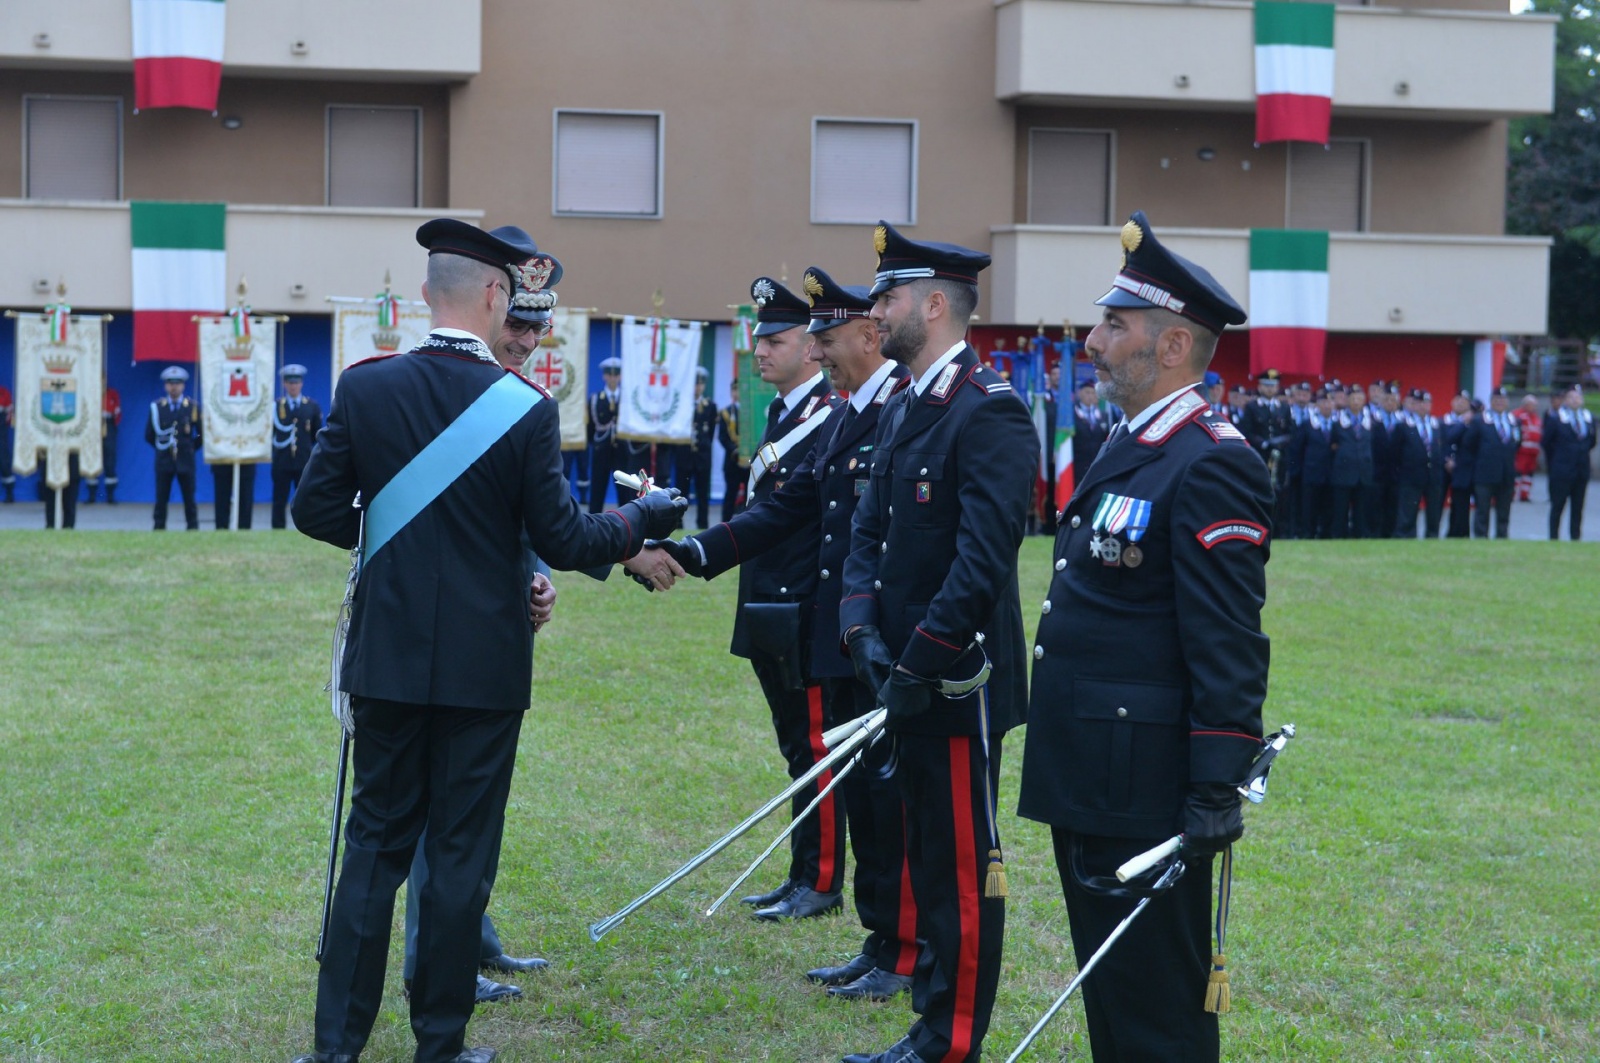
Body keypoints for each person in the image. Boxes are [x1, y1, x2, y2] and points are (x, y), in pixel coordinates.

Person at [287, 219, 686, 1063]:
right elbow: (572, 540)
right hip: (485, 670)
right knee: (459, 859)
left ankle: (335, 1051)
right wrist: (640, 517)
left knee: (372, 854)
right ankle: (440, 1046)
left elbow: (317, 512)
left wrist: (396, 546)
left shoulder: (365, 387)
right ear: (497, 295)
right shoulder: (525, 410)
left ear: (430, 292)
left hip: (387, 659)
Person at [1019, 210, 1269, 1063]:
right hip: (1094, 767)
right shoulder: (1137, 444)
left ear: (1171, 348)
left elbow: (1226, 639)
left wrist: (1215, 785)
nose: (1091, 342)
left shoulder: (1209, 461)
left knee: (1158, 1003)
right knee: (1114, 988)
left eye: (1113, 325)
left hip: (1145, 783)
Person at [657, 267, 917, 999]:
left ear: (867, 335)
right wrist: (689, 551)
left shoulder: (897, 408)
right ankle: (883, 939)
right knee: (861, 790)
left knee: (878, 792)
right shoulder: (844, 414)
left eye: (826, 338)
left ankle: (892, 939)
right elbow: (786, 508)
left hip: (868, 635)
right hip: (840, 631)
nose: (819, 351)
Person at [838, 221, 1036, 1063]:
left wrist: (916, 659)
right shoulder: (906, 402)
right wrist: (860, 632)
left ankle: (950, 1040)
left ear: (932, 303)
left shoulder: (987, 413)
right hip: (901, 675)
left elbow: (981, 562)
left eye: (886, 296)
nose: (874, 310)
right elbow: (867, 533)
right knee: (924, 849)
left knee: (958, 866)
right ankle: (929, 1015)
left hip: (956, 681)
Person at [701, 274, 845, 921]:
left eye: (777, 340)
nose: (761, 351)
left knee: (817, 748)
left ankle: (820, 880)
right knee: (796, 746)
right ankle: (800, 873)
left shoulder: (828, 418)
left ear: (813, 349)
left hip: (803, 610)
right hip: (770, 604)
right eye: (760, 340)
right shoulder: (786, 413)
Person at [146, 366, 202, 530]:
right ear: (165, 386)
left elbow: (200, 434)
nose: (174, 387)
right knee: (161, 498)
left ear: (183, 386)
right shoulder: (158, 407)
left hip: (186, 459)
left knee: (189, 498)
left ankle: (192, 528)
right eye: (170, 383)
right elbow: (149, 435)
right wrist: (161, 448)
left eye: (177, 383)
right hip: (164, 460)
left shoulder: (192, 407)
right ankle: (159, 527)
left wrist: (191, 446)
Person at [270, 365, 323, 530]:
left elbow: (316, 434)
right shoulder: (277, 406)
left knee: (305, 498)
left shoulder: (311, 406)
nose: (293, 385)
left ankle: (307, 528)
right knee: (279, 498)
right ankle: (278, 528)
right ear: (285, 384)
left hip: (303, 460)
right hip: (282, 460)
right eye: (289, 382)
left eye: (296, 382)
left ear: (301, 384)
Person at [1544, 384, 1595, 540]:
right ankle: (1553, 537)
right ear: (1565, 400)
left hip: (1581, 470)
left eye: (1578, 397)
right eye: (1571, 397)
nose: (1575, 400)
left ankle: (1575, 537)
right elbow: (1546, 442)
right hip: (1561, 470)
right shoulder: (1556, 418)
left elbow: (1591, 442)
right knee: (1558, 506)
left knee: (1578, 507)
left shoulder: (1588, 418)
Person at [1467, 386, 1519, 539]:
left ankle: (1502, 536)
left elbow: (1517, 443)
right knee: (1482, 510)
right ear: (1491, 402)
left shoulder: (1513, 421)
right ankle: (1481, 537)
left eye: (1502, 400)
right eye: (1496, 400)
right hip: (1485, 474)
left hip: (1506, 474)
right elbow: (1470, 444)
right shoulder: (1480, 420)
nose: (1500, 403)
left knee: (1504, 510)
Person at [1393, 388, 1446, 538]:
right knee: (1408, 513)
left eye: (1427, 403)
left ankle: (1432, 536)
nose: (1423, 406)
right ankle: (1406, 537)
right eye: (1420, 403)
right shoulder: (1404, 425)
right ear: (1413, 405)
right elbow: (1395, 452)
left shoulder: (1436, 424)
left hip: (1433, 476)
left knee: (1434, 513)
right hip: (1411, 476)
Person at [1329, 383, 1374, 538]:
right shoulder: (1337, 420)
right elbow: (1332, 444)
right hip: (1343, 472)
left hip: (1364, 472)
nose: (1356, 401)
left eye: (1359, 398)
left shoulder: (1371, 420)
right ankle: (1338, 537)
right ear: (1347, 400)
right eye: (1353, 398)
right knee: (1340, 510)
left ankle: (1360, 536)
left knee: (1362, 510)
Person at [675, 366, 717, 529]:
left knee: (702, 494)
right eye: (695, 384)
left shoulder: (710, 406)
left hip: (702, 457)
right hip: (684, 455)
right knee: (680, 495)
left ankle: (702, 525)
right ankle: (677, 524)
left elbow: (710, 433)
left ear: (704, 386)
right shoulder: (682, 405)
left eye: (700, 384)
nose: (697, 387)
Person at [587, 357, 622, 512]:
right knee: (598, 487)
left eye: (616, 375)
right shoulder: (595, 399)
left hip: (622, 449)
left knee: (625, 490)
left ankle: (629, 523)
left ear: (620, 377)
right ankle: (593, 522)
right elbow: (591, 428)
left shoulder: (628, 399)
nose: (613, 378)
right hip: (601, 448)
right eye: (609, 374)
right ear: (604, 376)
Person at [1441, 391, 1475, 539]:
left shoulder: (1472, 423)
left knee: (1461, 503)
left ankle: (1458, 533)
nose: (1461, 403)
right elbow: (1439, 443)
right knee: (1437, 502)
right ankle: (1433, 532)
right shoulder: (1443, 421)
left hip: (1461, 468)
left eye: (1464, 400)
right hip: (1444, 467)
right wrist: (1445, 459)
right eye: (1458, 400)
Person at [83, 385, 121, 503]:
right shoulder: (89, 393)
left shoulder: (112, 394)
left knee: (110, 460)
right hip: (92, 426)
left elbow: (118, 413)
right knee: (91, 459)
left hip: (108, 426)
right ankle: (92, 496)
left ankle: (110, 496)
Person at [719, 381, 747, 521]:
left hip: (749, 460)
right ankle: (724, 524)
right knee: (730, 494)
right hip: (732, 460)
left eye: (739, 390)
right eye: (734, 390)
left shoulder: (751, 411)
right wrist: (734, 449)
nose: (737, 393)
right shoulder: (726, 412)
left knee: (749, 495)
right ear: (731, 393)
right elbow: (722, 437)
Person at [1072, 379, 1110, 475]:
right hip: (1077, 465)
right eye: (1087, 392)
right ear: (1079, 393)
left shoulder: (1103, 415)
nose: (1090, 396)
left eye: (1093, 393)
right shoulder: (1072, 415)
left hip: (1096, 464)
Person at [1513, 394, 1543, 502]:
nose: (1534, 407)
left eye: (1535, 405)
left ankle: (1525, 495)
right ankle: (1513, 494)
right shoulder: (1517, 415)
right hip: (1521, 451)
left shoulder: (1536, 418)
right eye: (1532, 404)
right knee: (1517, 472)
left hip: (1533, 452)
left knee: (1529, 474)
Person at [0, 383, 13, 502]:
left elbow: (10, 411)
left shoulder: (4, 393)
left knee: (4, 461)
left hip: (1, 432)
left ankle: (9, 493)